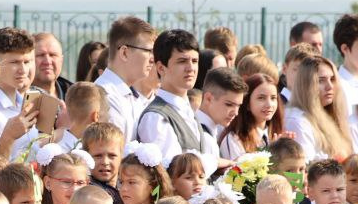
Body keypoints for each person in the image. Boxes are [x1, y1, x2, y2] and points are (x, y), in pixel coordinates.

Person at [137, 30, 218, 170]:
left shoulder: (187, 109)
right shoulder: (155, 117)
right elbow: (171, 171)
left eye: (194, 61)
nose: (191, 68)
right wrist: (215, 163)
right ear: (161, 68)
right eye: (182, 61)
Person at [95, 16, 157, 142]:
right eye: (148, 51)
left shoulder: (131, 95)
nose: (153, 59)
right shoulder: (105, 96)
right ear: (124, 53)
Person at [284, 55, 352, 162]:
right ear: (306, 85)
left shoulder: (328, 115)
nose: (330, 86)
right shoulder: (297, 121)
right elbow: (304, 171)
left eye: (332, 79)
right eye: (321, 81)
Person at [219, 73, 284, 158]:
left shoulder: (276, 136)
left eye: (273, 98)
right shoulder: (234, 139)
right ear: (247, 103)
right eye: (261, 98)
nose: (269, 104)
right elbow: (235, 170)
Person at [196, 67, 247, 162]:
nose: (235, 113)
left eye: (238, 106)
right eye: (229, 104)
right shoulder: (200, 135)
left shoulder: (211, 130)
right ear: (209, 99)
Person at [31, 32, 71, 100]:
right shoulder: (16, 97)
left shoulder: (76, 96)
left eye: (53, 55)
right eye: (41, 55)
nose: (47, 61)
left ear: (61, 60)